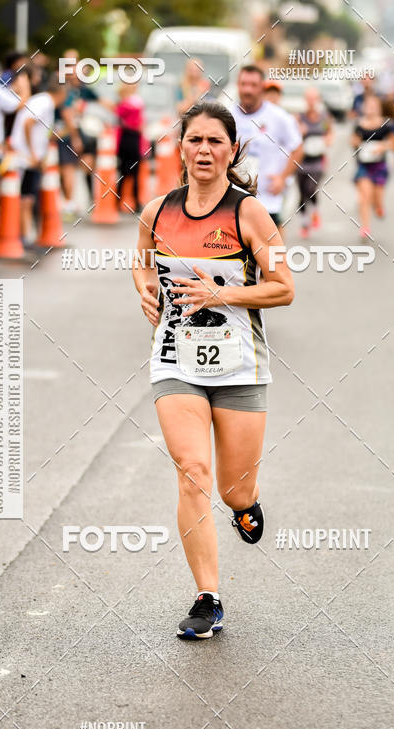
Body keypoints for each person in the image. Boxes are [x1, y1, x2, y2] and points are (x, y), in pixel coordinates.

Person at [133, 101, 294, 639]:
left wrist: (223, 293)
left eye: (215, 142)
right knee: (192, 471)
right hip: (176, 358)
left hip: (240, 366)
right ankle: (208, 598)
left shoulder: (248, 214)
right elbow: (141, 258)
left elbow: (283, 288)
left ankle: (245, 507)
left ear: (232, 150)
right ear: (181, 148)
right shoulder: (157, 211)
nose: (204, 150)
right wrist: (146, 290)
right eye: (194, 140)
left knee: (232, 490)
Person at [230, 65, 302, 238]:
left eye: (253, 85)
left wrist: (282, 178)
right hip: (234, 196)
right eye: (243, 84)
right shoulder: (227, 116)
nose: (247, 89)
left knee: (271, 252)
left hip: (267, 197)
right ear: (237, 85)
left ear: (262, 87)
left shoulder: (278, 117)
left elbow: (298, 148)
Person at [10, 74, 67, 247]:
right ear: (61, 93)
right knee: (26, 198)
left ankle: (24, 235)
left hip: (27, 156)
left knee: (27, 197)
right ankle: (23, 236)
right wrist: (33, 152)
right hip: (25, 158)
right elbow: (28, 123)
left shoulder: (41, 101)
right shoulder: (45, 103)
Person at [351, 93, 394, 239]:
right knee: (364, 196)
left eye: (373, 106)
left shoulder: (385, 125)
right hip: (363, 166)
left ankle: (379, 206)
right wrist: (358, 144)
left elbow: (393, 143)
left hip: (379, 166)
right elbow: (353, 141)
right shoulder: (359, 125)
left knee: (376, 198)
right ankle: (365, 227)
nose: (370, 108)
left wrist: (383, 146)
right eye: (368, 106)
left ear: (378, 108)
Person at [296, 86, 333, 237]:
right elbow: (292, 138)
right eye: (309, 99)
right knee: (302, 192)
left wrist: (326, 140)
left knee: (311, 188)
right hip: (301, 160)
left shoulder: (324, 118)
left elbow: (330, 133)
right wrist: (299, 131)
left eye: (314, 99)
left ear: (318, 100)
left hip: (318, 160)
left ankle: (315, 211)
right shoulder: (299, 118)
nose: (311, 102)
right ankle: (305, 223)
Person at [116, 82, 146, 212]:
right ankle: (130, 201)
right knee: (129, 172)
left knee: (127, 172)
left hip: (130, 139)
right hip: (129, 138)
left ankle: (125, 201)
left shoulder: (130, 102)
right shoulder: (129, 103)